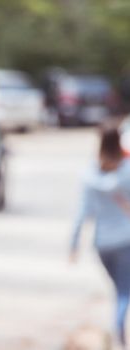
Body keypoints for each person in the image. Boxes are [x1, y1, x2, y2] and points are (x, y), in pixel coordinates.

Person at [70, 120, 130, 349]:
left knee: (120, 289)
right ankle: (120, 338)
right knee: (125, 291)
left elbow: (82, 213)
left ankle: (117, 333)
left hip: (103, 244)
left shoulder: (90, 174)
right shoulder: (127, 171)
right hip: (126, 241)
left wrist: (73, 245)